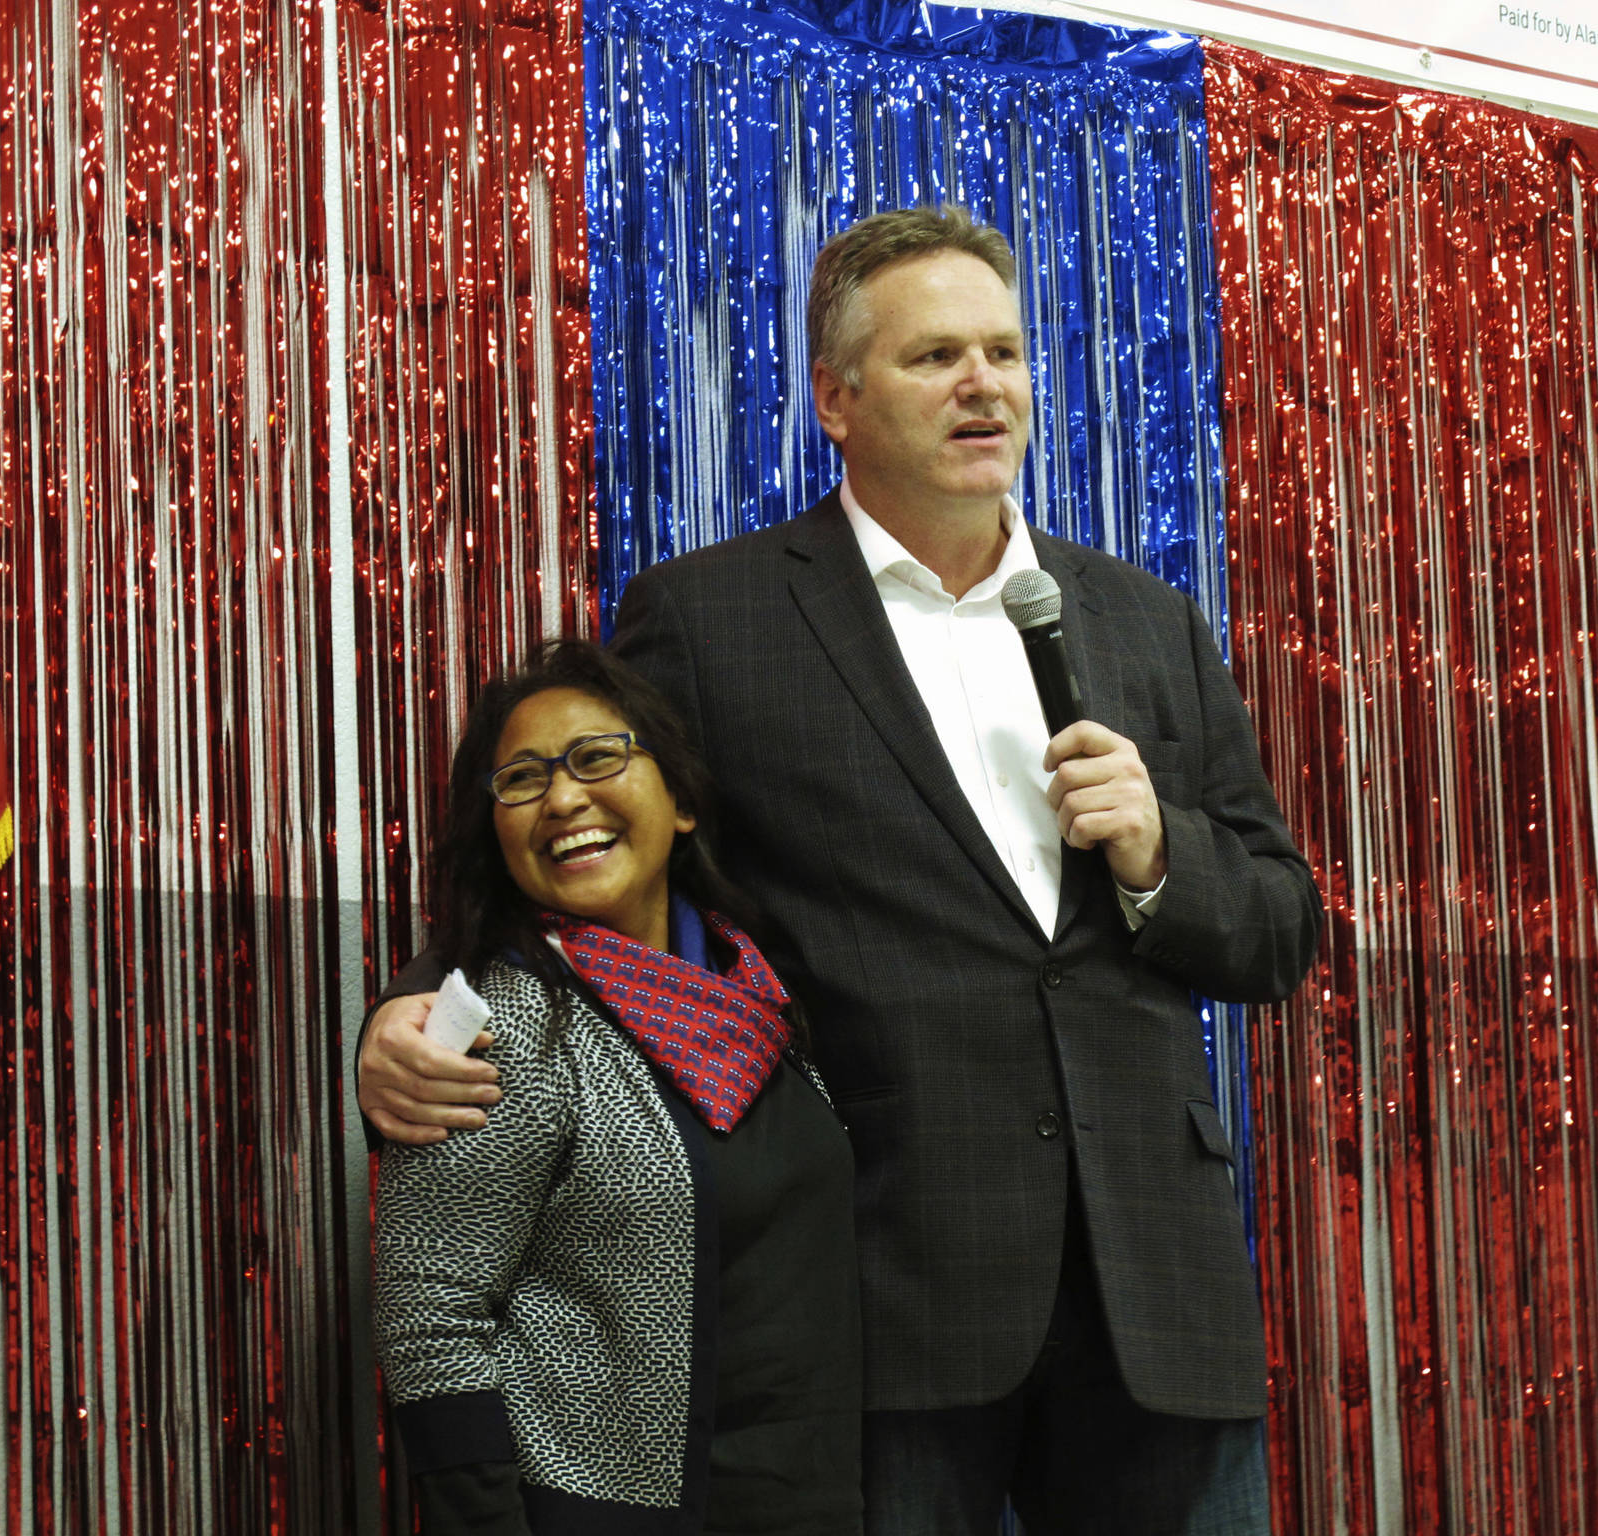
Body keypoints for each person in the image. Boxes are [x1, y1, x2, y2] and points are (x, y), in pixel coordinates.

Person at [362, 207, 1319, 1534]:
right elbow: (584, 836)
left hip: (1157, 1299)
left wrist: (1163, 855)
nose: (983, 384)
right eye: (935, 357)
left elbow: (1278, 926)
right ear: (835, 396)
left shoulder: (1144, 621)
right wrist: (424, 1006)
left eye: (1004, 351)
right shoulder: (717, 615)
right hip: (887, 1300)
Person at [372, 638, 861, 1535]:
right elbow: (429, 1317)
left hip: (804, 1503)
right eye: (521, 780)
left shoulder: (761, 990)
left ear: (679, 800)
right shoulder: (491, 1024)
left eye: (597, 758)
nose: (563, 798)